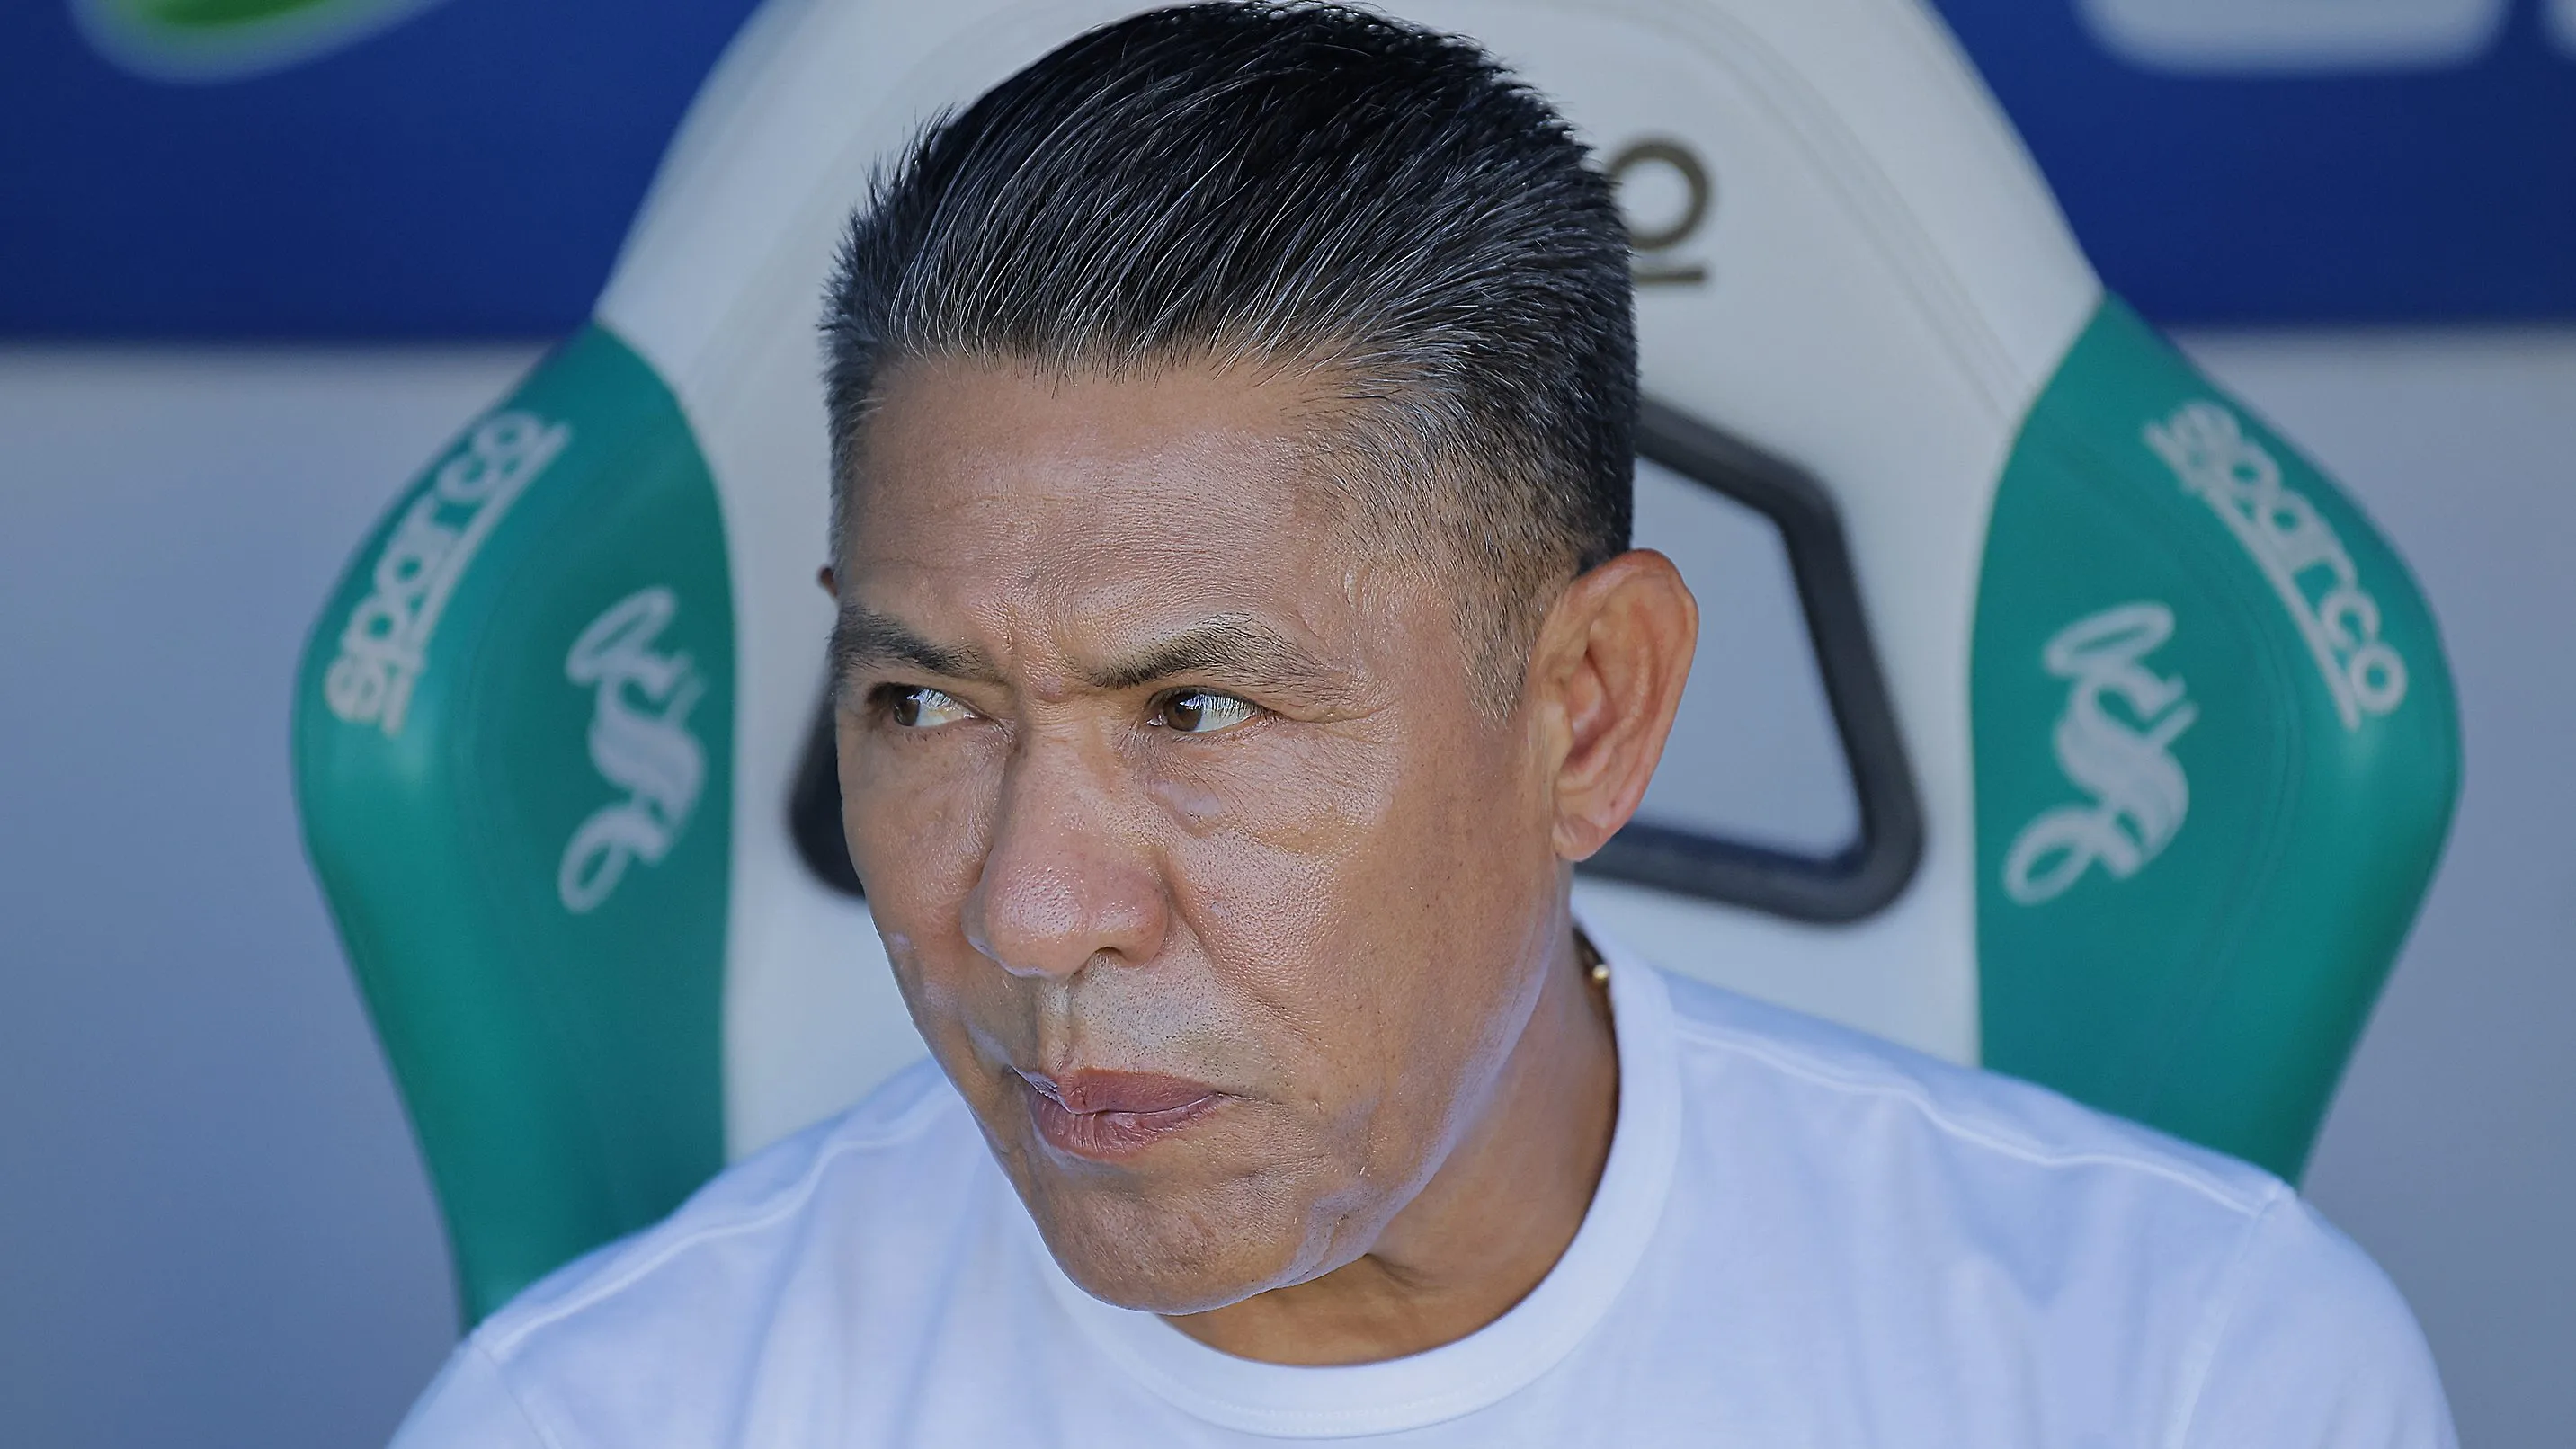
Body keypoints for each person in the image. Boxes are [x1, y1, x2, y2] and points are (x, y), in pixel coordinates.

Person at [390, 4, 2454, 1444]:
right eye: (922, 699)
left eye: (1196, 706)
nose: (1028, 909)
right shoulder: (604, 1414)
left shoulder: (2175, 1371)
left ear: (1588, 712)